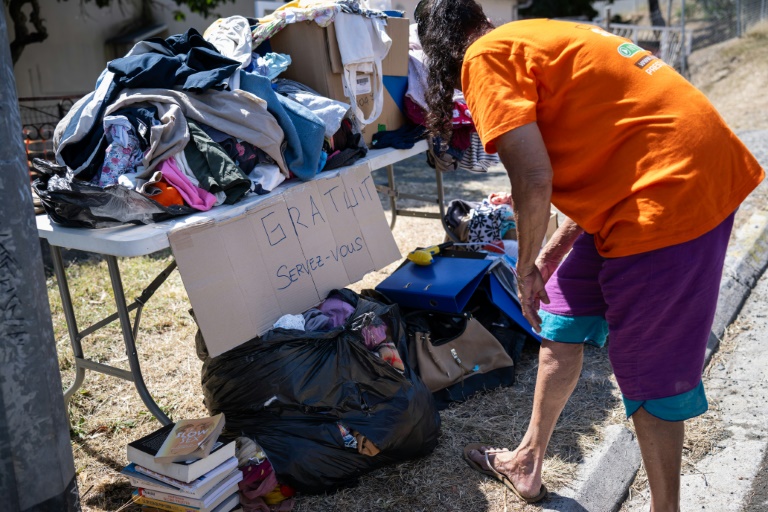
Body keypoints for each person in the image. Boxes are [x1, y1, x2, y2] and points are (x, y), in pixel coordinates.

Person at [415, 1, 765, 509]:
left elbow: (533, 180)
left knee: (648, 368)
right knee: (563, 312)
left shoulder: (483, 59)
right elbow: (612, 144)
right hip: (664, 169)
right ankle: (527, 461)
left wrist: (526, 263)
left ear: (438, 48)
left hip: (669, 193)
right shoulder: (528, 37)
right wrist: (554, 250)